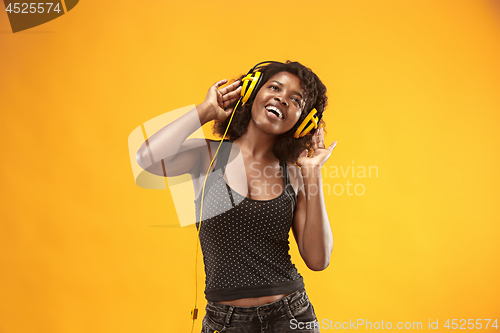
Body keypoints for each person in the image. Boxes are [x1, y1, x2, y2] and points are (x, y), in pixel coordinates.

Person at [136, 61, 336, 332]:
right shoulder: (207, 157)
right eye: (274, 87)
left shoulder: (295, 174)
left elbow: (318, 260)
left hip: (290, 314)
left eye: (296, 100)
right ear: (252, 91)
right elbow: (146, 159)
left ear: (303, 121)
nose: (282, 98)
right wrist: (206, 110)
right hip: (225, 321)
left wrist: (313, 172)